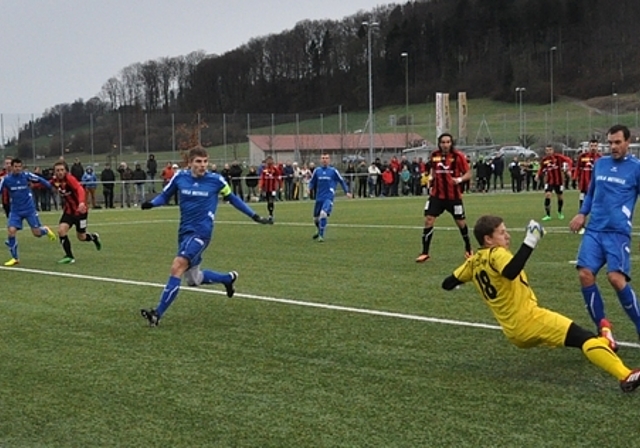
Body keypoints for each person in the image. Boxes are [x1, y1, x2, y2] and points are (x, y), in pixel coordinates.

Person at [442, 214, 640, 393]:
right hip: (530, 320)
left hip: (514, 333)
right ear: (488, 239)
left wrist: (461, 281)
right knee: (584, 338)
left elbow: (447, 283)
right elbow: (510, 271)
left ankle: (606, 339)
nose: (508, 236)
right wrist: (531, 240)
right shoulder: (496, 253)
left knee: (575, 339)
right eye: (502, 233)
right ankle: (625, 374)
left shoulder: (473, 262)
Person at [139, 146, 273, 326]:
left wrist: (254, 216)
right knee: (194, 279)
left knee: (177, 265)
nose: (203, 165)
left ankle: (157, 314)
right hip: (184, 232)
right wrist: (151, 204)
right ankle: (227, 278)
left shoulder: (216, 181)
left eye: (205, 162)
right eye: (198, 162)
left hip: (202, 232)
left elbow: (233, 198)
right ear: (190, 163)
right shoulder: (180, 178)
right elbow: (165, 196)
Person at [569, 124, 640, 349]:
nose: (613, 147)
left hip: (617, 233)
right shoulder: (600, 164)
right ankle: (604, 330)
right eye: (610, 143)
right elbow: (591, 193)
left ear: (628, 142)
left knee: (616, 279)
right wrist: (582, 213)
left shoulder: (636, 168)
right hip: (594, 231)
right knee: (585, 274)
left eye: (618, 142)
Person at [416, 133, 473, 262]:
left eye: (448, 142)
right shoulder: (435, 155)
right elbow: (433, 170)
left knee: (461, 223)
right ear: (439, 143)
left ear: (451, 143)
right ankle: (425, 252)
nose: (445, 145)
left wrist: (459, 179)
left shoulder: (458, 156)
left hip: (453, 197)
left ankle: (469, 249)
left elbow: (469, 173)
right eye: (443, 142)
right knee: (428, 219)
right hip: (437, 196)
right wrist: (431, 178)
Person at [0, 158, 57, 266]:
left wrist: (50, 186)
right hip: (15, 210)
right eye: (15, 166)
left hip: (29, 209)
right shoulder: (6, 179)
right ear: (11, 167)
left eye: (19, 166)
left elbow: (40, 179)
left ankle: (45, 230)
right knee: (11, 231)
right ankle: (15, 258)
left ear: (21, 167)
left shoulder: (26, 176)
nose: (17, 169)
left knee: (37, 233)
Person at [50, 161, 102, 264]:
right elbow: (45, 183)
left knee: (81, 237)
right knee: (61, 231)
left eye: (62, 170)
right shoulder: (55, 180)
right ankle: (69, 256)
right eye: (57, 170)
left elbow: (79, 189)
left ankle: (94, 237)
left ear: (66, 171)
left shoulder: (70, 179)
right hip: (69, 212)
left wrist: (82, 202)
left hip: (80, 212)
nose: (60, 172)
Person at [308, 153, 351, 242]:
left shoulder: (333, 171)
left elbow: (341, 181)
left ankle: (321, 235)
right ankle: (319, 229)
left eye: (326, 158)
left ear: (329, 160)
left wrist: (347, 191)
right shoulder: (317, 171)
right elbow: (312, 182)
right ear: (320, 160)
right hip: (319, 197)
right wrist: (309, 188)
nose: (324, 160)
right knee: (316, 218)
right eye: (323, 158)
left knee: (323, 214)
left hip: (328, 197)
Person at [536, 144, 572, 221]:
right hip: (549, 181)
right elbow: (541, 168)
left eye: (550, 150)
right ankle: (548, 215)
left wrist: (568, 169)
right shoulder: (545, 160)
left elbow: (568, 160)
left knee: (560, 197)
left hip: (558, 181)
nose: (548, 152)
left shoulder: (558, 157)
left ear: (553, 150)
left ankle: (560, 212)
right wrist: (537, 175)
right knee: (548, 195)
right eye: (547, 150)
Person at [574, 139, 602, 211]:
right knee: (582, 198)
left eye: (595, 146)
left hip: (596, 183)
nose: (593, 148)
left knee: (596, 200)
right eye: (591, 146)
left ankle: (595, 214)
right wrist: (575, 178)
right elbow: (578, 167)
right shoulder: (583, 156)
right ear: (589, 146)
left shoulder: (600, 158)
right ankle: (581, 213)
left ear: (597, 147)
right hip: (584, 182)